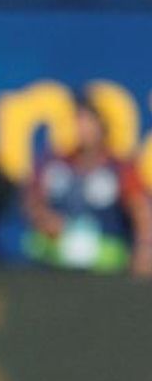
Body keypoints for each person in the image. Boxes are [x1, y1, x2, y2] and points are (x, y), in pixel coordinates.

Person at [23, 96, 152, 278]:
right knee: (33, 243)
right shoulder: (56, 164)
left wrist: (145, 251)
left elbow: (141, 211)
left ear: (101, 126)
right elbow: (33, 201)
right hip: (57, 249)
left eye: (88, 123)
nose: (82, 130)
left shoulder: (119, 168)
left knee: (92, 252)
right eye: (78, 122)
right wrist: (46, 220)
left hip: (105, 252)